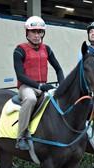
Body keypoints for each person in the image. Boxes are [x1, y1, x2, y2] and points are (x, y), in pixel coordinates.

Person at [13, 16, 64, 150]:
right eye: (33, 32)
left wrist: (62, 85)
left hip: (43, 87)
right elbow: (20, 76)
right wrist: (40, 86)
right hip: (27, 87)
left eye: (39, 32)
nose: (37, 35)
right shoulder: (19, 50)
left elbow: (58, 69)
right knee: (30, 99)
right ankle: (21, 137)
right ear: (27, 33)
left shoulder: (47, 49)